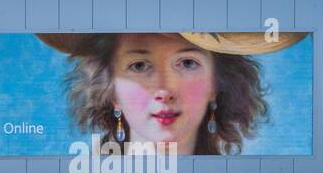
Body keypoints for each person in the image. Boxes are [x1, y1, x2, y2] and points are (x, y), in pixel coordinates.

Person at [41, 31, 307, 155]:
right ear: (112, 92)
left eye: (187, 63)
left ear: (216, 85)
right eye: (140, 66)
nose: (165, 90)